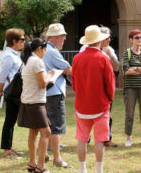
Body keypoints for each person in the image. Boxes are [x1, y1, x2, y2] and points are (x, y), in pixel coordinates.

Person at [72, 25, 116, 173]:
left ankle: (83, 169)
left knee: (82, 139)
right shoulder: (103, 58)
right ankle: (99, 169)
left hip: (82, 105)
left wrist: (81, 93)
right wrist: (109, 99)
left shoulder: (77, 58)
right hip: (100, 105)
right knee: (100, 140)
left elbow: (74, 81)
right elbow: (110, 83)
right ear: (99, 40)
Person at [18, 39, 55, 173]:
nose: (45, 53)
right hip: (36, 102)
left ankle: (32, 163)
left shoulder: (27, 60)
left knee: (33, 132)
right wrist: (50, 75)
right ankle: (41, 166)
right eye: (45, 50)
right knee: (46, 132)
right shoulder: (37, 62)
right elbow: (42, 84)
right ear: (39, 48)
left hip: (27, 101)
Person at [79, 25, 120, 148]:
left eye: (109, 38)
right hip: (88, 89)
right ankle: (86, 138)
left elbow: (117, 68)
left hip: (104, 91)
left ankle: (106, 138)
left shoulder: (109, 50)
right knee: (87, 116)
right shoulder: (84, 50)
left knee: (106, 116)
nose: (109, 40)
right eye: (106, 37)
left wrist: (110, 55)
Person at [43, 23, 72, 168]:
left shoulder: (46, 49)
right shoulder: (52, 51)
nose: (65, 38)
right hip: (54, 93)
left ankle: (47, 153)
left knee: (48, 125)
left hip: (47, 93)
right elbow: (68, 69)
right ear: (54, 38)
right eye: (63, 35)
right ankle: (57, 159)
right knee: (56, 127)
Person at [0, 28, 26, 159]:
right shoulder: (8, 55)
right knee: (9, 121)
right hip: (12, 93)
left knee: (11, 121)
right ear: (14, 41)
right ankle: (7, 151)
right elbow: (2, 75)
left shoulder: (14, 54)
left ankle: (9, 147)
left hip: (16, 92)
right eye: (22, 39)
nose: (24, 42)